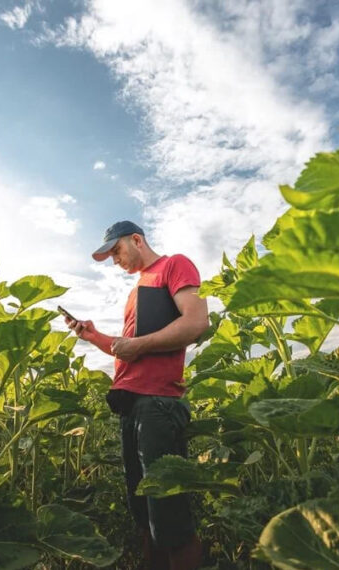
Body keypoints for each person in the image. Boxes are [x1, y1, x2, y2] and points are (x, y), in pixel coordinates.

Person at [65, 221, 208, 570]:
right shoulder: (136, 292)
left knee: (168, 510)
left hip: (159, 404)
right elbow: (126, 350)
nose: (115, 260)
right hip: (133, 406)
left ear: (137, 240)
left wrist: (138, 344)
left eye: (116, 251)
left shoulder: (174, 265)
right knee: (142, 506)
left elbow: (196, 322)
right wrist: (95, 336)